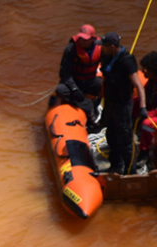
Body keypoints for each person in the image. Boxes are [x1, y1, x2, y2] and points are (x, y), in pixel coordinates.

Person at [100, 32, 147, 175]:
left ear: (112, 47)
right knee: (111, 135)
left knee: (125, 139)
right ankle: (115, 165)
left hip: (123, 105)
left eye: (105, 46)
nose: (102, 48)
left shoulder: (127, 61)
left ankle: (130, 170)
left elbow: (138, 85)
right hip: (110, 102)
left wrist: (142, 107)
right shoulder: (108, 57)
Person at [58, 24, 103, 126]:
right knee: (61, 90)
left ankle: (96, 107)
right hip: (74, 81)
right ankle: (87, 107)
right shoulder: (71, 48)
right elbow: (64, 72)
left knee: (103, 86)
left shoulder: (100, 46)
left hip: (90, 80)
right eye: (81, 38)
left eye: (85, 39)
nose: (82, 41)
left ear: (92, 38)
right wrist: (74, 88)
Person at [136, 51, 157, 164]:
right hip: (153, 110)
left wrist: (148, 113)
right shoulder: (151, 82)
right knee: (134, 103)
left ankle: (145, 151)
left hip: (155, 115)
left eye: (147, 69)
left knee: (147, 124)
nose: (144, 71)